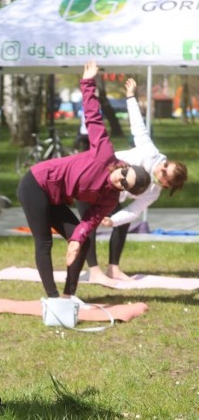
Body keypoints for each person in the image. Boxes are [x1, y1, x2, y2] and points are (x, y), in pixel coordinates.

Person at [17, 61, 151, 299]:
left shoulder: (109, 198)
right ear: (124, 166)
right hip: (36, 184)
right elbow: (93, 117)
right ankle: (53, 298)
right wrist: (88, 82)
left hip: (57, 198)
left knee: (84, 242)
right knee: (44, 241)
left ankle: (69, 295)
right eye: (123, 175)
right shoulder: (104, 154)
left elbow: (89, 221)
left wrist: (75, 240)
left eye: (124, 185)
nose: (119, 181)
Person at [78, 78, 188, 286]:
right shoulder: (150, 152)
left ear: (167, 184)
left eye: (165, 175)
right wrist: (130, 96)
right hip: (97, 174)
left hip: (113, 193)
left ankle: (114, 269)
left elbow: (134, 210)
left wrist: (114, 220)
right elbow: (138, 127)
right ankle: (94, 270)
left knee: (123, 222)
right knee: (88, 222)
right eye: (165, 167)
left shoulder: (153, 192)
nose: (161, 170)